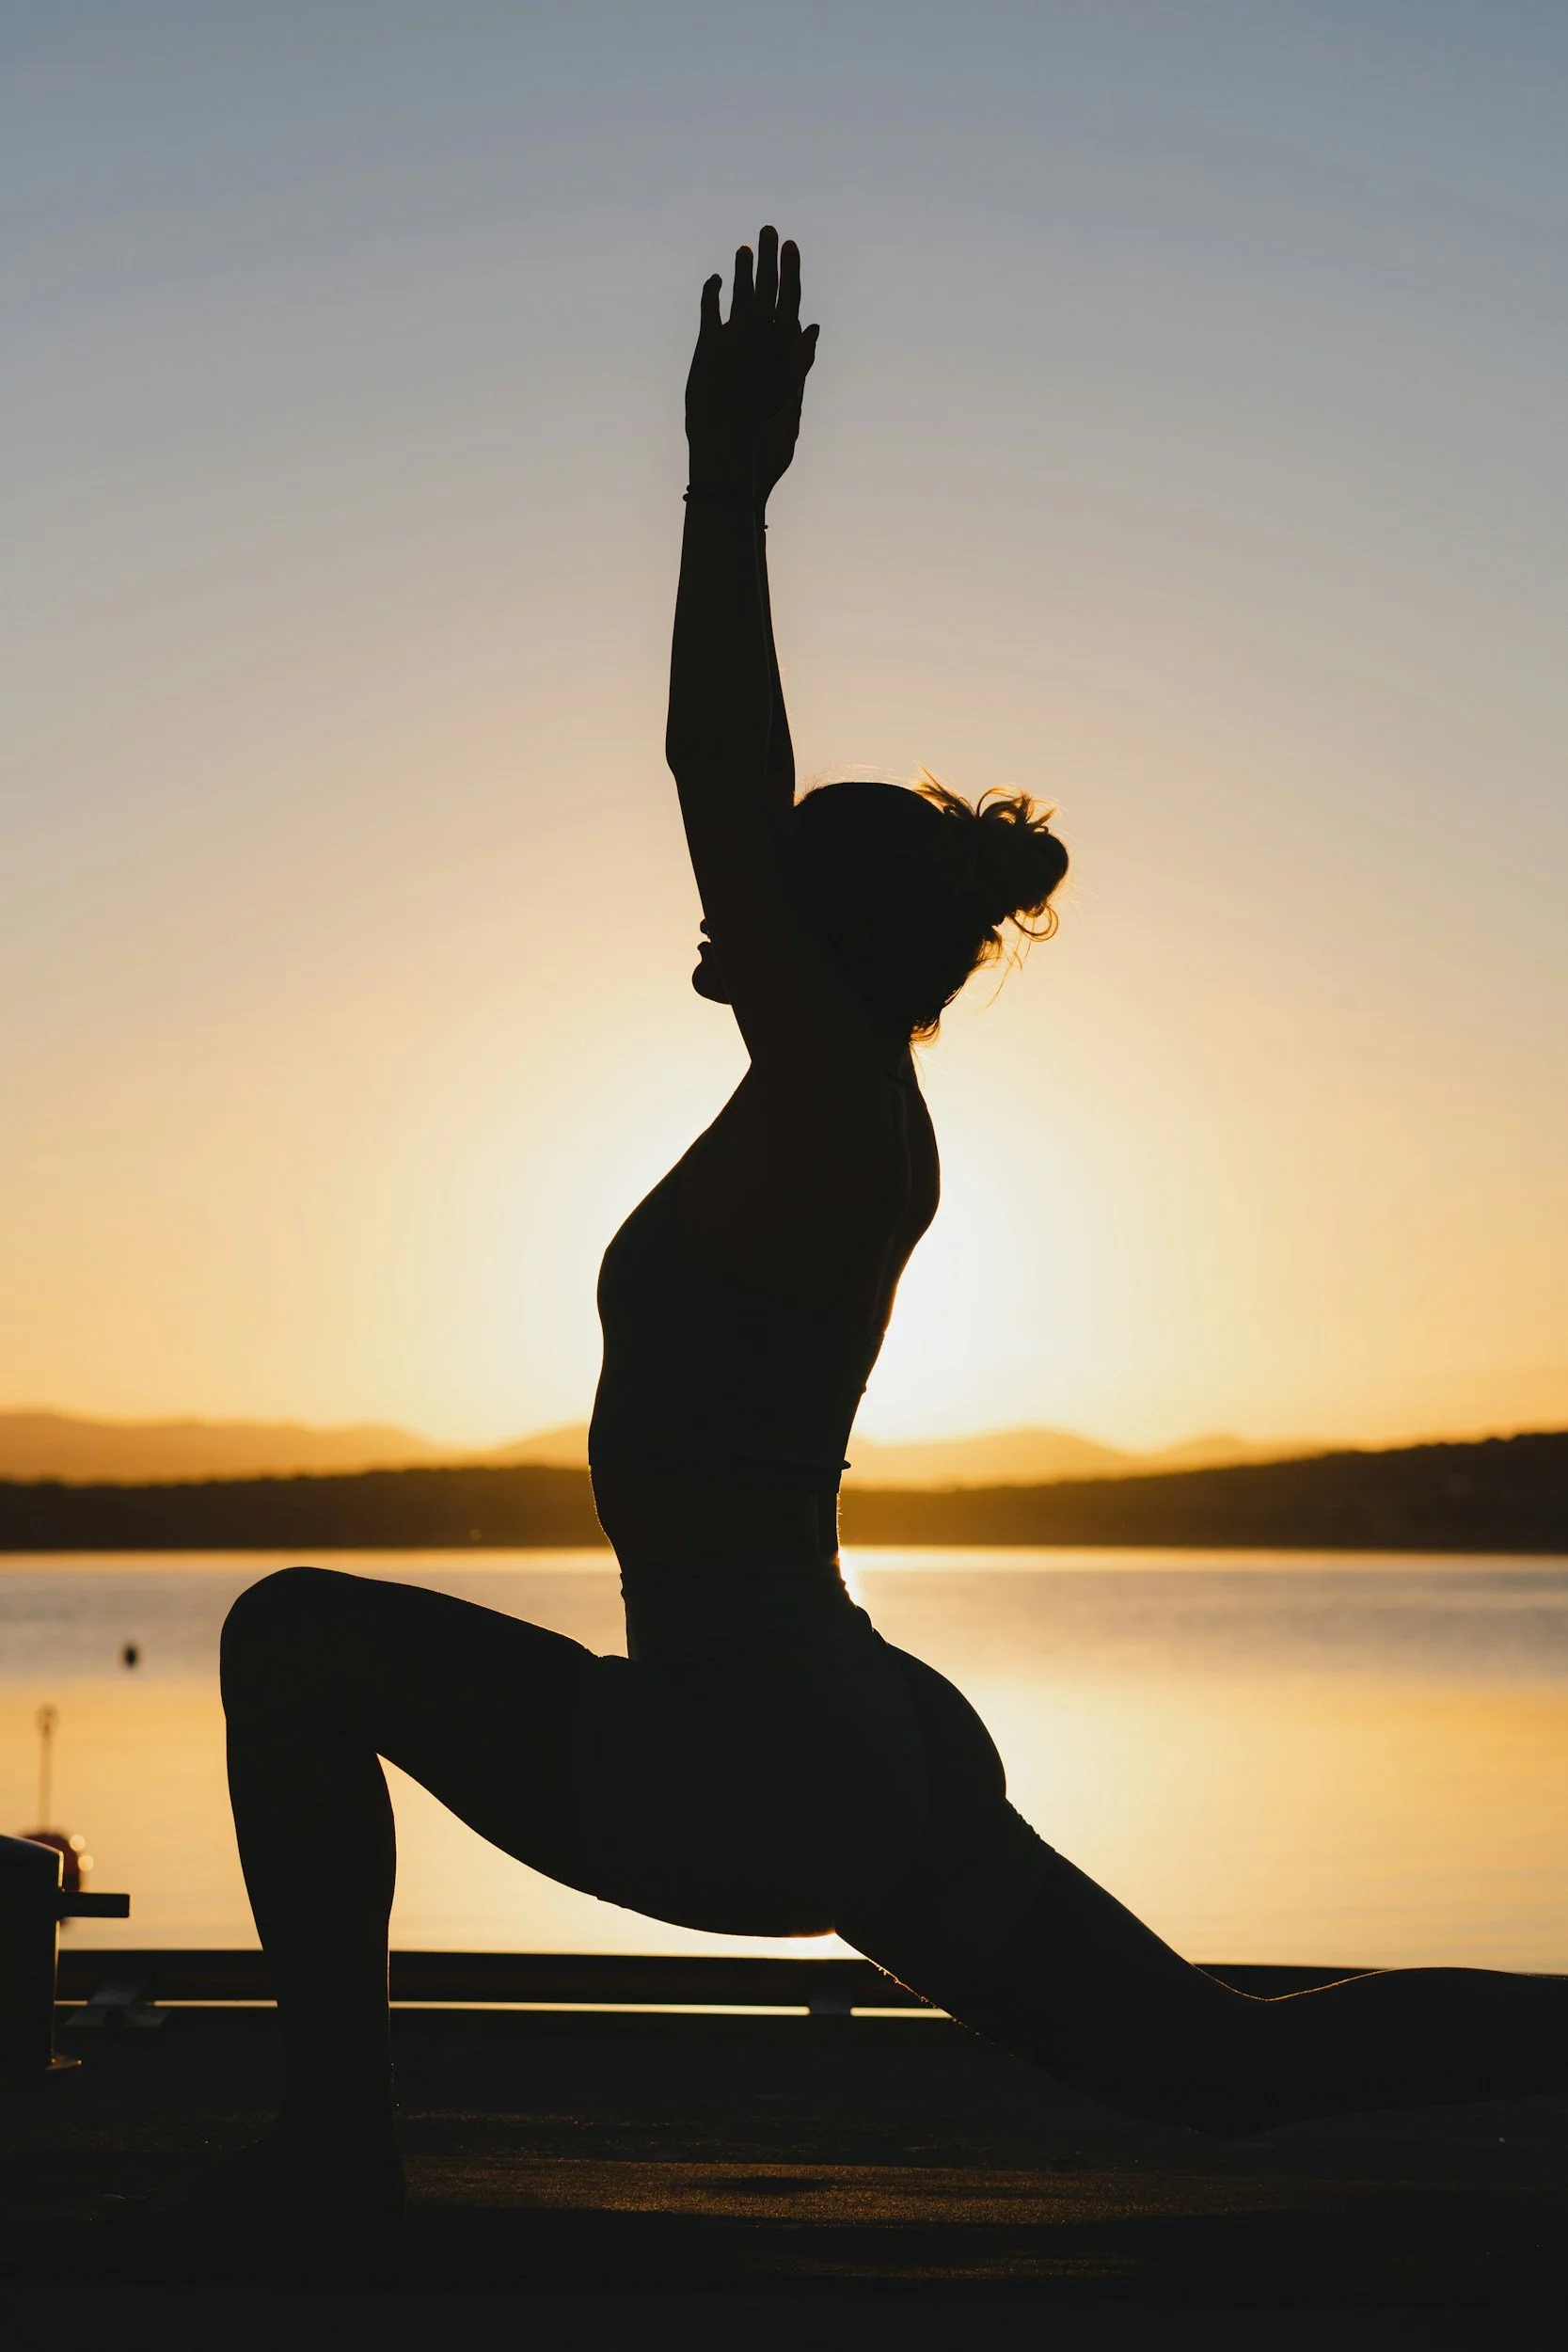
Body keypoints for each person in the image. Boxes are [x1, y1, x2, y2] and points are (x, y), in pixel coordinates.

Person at [205, 230, 1564, 2260]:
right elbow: (740, 819)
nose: (710, 906)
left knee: (288, 1635)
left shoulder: (840, 1101)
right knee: (1210, 2061)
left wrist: (722, 492)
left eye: (758, 892)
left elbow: (710, 773)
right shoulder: (817, 1111)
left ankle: (334, 2161)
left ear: (813, 936)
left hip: (750, 1736)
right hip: (829, 1721)